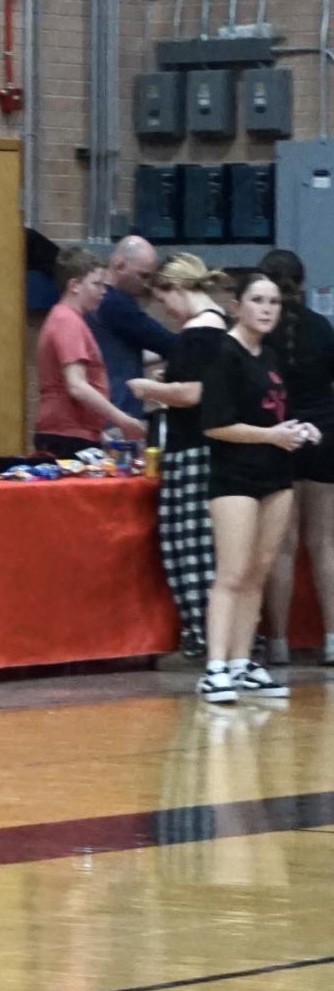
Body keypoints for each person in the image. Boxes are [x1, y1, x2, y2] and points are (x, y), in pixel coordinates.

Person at [197, 271, 320, 703]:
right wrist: (271, 436)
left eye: (274, 302)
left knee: (258, 571)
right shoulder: (223, 354)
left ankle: (240, 661)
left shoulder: (270, 356)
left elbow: (273, 413)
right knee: (232, 572)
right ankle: (214, 667)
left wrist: (298, 429)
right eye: (258, 300)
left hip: (276, 474)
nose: (267, 309)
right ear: (238, 306)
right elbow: (215, 425)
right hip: (235, 476)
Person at [127, 253, 235, 659]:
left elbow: (191, 392)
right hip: (211, 449)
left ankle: (203, 637)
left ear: (176, 288)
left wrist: (149, 388)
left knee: (188, 547)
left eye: (164, 300)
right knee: (207, 545)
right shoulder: (222, 326)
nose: (167, 312)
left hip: (191, 451)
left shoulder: (197, 334)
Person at [252, 249, 334, 667]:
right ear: (302, 284)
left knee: (282, 547)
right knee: (324, 544)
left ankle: (279, 643)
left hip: (277, 438)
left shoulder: (261, 333)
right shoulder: (321, 328)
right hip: (324, 438)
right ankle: (332, 639)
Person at [35, 246, 147, 458]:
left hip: (73, 432)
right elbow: (76, 385)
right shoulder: (67, 321)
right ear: (74, 285)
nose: (103, 291)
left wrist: (100, 435)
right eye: (97, 284)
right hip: (66, 435)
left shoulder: (70, 320)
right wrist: (122, 419)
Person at [90, 234, 174, 419]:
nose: (146, 284)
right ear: (120, 265)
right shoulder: (115, 304)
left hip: (112, 408)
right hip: (115, 411)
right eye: (143, 275)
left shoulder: (105, 300)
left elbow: (122, 351)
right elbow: (165, 342)